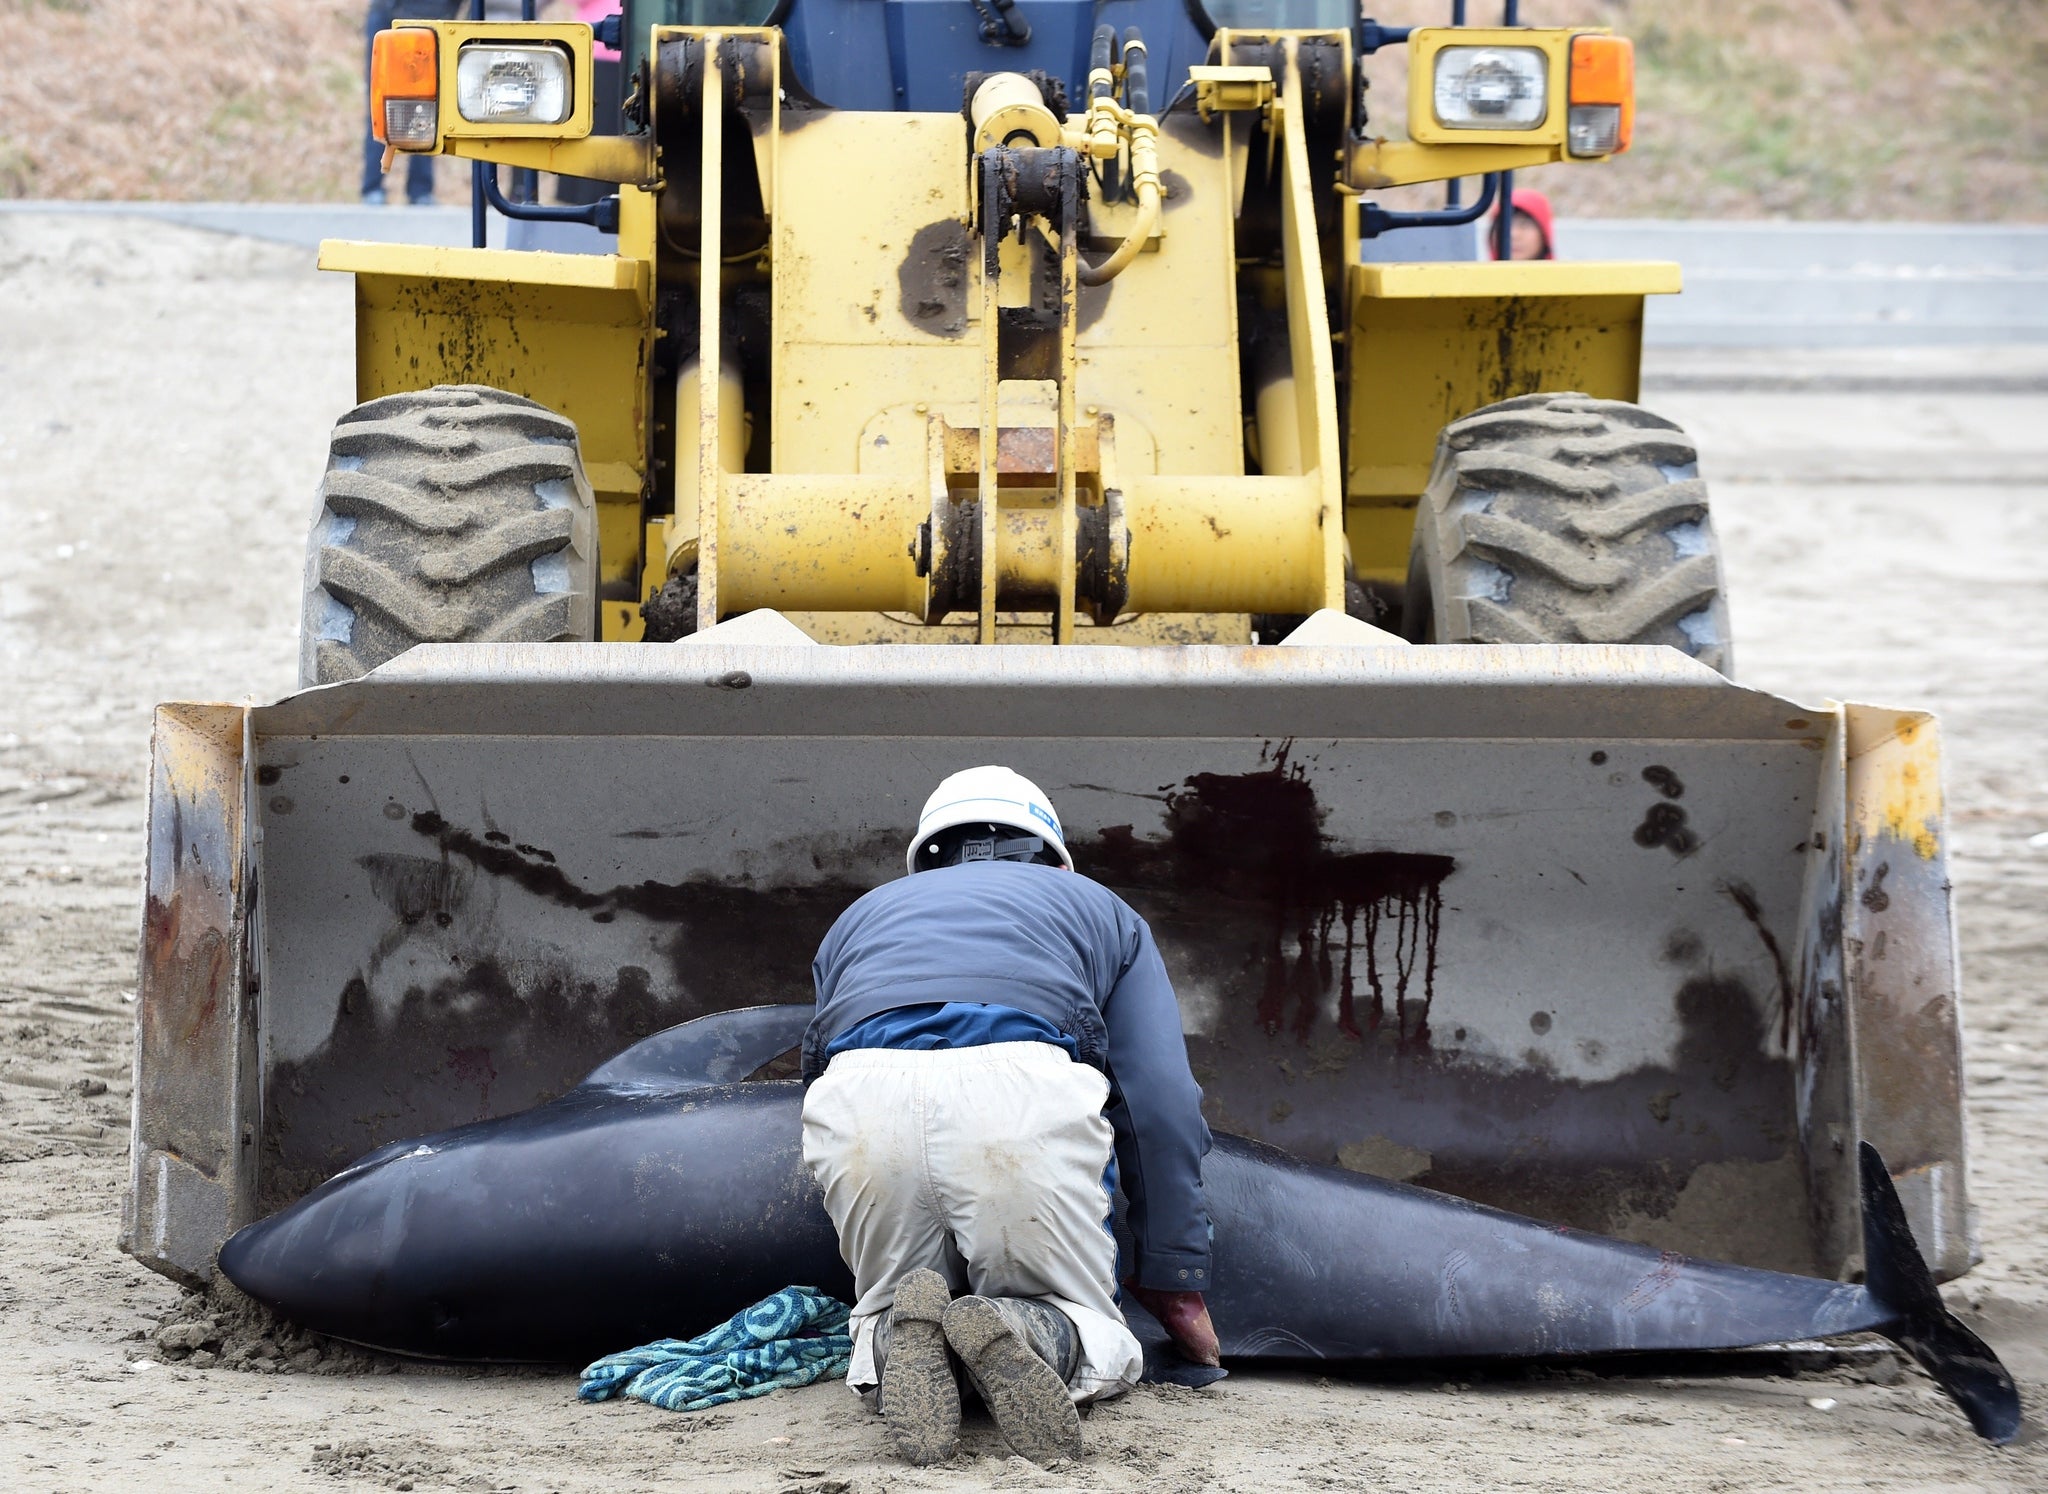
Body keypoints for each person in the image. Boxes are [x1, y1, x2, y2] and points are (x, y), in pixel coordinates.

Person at [800, 766, 1219, 1466]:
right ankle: (1021, 1327)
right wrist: (1174, 1280)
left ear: (923, 857)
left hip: (857, 1103)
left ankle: (896, 1338)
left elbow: (818, 1069)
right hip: (1019, 1094)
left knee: (891, 1309)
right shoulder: (1100, 907)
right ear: (1057, 856)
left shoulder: (857, 918)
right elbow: (1160, 1103)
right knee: (1093, 1328)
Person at [361, 1, 462, 206]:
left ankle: (420, 189)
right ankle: (373, 185)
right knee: (381, 102)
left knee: (427, 103)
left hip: (433, 23)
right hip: (391, 18)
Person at [1491, 186, 1557, 260]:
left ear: (1544, 233)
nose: (1513, 234)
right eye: (1503, 225)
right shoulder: (1479, 270)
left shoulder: (1566, 271)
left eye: (1525, 225)